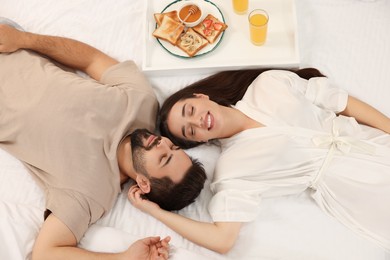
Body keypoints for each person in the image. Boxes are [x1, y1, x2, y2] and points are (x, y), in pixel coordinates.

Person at [0, 21, 206, 259]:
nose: (162, 142)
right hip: (10, 43)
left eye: (164, 157)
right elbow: (92, 59)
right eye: (173, 145)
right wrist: (23, 40)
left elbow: (45, 253)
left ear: (144, 184)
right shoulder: (143, 101)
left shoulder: (90, 194)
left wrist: (122, 258)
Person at [128, 68, 390, 254]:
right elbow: (222, 239)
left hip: (371, 141)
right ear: (199, 142)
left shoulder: (268, 83)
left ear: (201, 97)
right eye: (190, 131)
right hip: (355, 189)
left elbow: (342, 103)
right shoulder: (232, 169)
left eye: (191, 111)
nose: (197, 121)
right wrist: (154, 211)